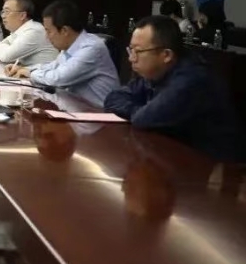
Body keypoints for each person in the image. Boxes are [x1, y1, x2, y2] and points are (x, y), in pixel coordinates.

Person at [104, 16, 245, 161]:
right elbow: (113, 98)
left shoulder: (192, 79)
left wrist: (139, 112)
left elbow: (143, 119)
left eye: (138, 51)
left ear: (166, 55)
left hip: (216, 165)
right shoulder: (154, 72)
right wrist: (139, 110)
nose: (131, 58)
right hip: (176, 156)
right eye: (131, 50)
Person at [7, 0, 119, 106]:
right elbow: (53, 66)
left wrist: (30, 74)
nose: (46, 37)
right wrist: (24, 69)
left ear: (64, 30)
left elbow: (59, 78)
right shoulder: (70, 46)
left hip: (99, 113)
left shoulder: (92, 48)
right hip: (75, 108)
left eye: (49, 31)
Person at [0, 0, 58, 66]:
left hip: (45, 72)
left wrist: (5, 47)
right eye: (3, 12)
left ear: (22, 15)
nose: (3, 16)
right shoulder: (19, 31)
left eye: (7, 11)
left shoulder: (34, 31)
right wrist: (6, 48)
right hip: (30, 72)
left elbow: (6, 57)